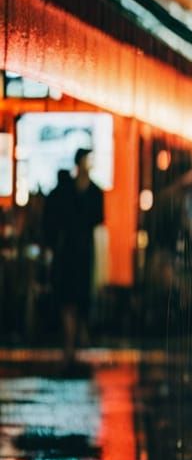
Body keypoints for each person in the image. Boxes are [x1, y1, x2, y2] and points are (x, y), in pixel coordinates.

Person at [42, 148, 105, 371]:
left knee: (78, 298)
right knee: (68, 298)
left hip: (81, 251)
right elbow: (52, 220)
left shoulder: (92, 191)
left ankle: (73, 345)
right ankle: (70, 346)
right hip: (68, 250)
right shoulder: (70, 190)